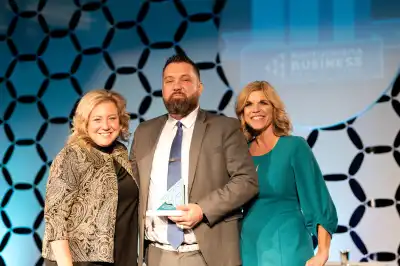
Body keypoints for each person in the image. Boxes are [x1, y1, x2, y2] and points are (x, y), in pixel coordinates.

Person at [130, 54, 258, 266]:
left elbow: (247, 181)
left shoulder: (224, 128)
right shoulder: (144, 132)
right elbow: (133, 189)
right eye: (169, 81)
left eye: (185, 79)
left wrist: (202, 209)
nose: (176, 86)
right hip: (155, 255)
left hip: (205, 255)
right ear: (162, 88)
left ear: (200, 87)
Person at [236, 81, 338, 266]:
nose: (255, 109)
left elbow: (318, 201)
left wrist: (323, 252)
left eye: (263, 103)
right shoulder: (239, 154)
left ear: (274, 109)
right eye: (248, 104)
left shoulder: (294, 147)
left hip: (287, 248)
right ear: (242, 113)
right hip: (248, 250)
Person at [42, 89, 139, 266]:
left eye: (112, 118)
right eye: (97, 119)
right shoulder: (72, 155)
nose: (106, 125)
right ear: (84, 122)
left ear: (121, 121)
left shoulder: (122, 154)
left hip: (122, 258)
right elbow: (55, 218)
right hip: (78, 262)